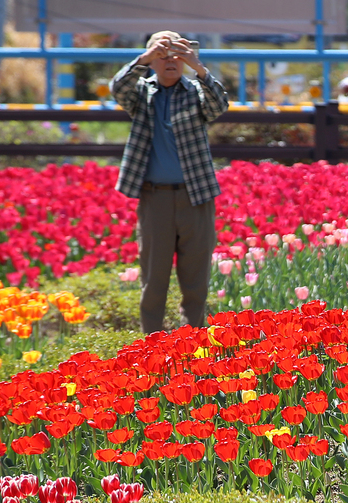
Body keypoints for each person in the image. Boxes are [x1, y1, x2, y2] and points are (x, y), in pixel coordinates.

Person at [111, 31, 229, 333]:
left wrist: (198, 66)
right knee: (154, 279)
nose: (169, 61)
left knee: (196, 279)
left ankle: (195, 342)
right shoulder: (141, 93)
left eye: (176, 53)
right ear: (152, 61)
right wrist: (144, 59)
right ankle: (152, 345)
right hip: (155, 198)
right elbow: (118, 88)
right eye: (161, 54)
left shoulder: (195, 92)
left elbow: (218, 105)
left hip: (195, 197)